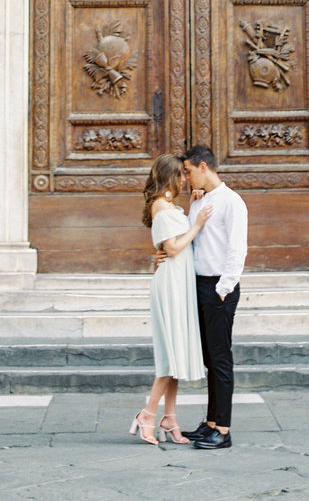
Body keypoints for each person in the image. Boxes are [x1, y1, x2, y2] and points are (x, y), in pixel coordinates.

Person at [130, 154, 212, 446]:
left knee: (176, 356)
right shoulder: (161, 208)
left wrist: (194, 201)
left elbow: (174, 241)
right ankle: (147, 414)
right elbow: (174, 247)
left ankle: (170, 418)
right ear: (171, 177)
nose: (185, 180)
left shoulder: (170, 207)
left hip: (180, 282)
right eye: (182, 175)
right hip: (171, 285)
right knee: (169, 358)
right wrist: (198, 223)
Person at [180, 144, 248, 451]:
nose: (186, 177)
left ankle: (223, 429)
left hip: (219, 288)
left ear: (203, 167)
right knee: (210, 358)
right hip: (200, 286)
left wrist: (224, 288)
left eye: (188, 171)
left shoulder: (232, 202)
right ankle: (210, 423)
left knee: (221, 359)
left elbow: (237, 248)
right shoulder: (199, 201)